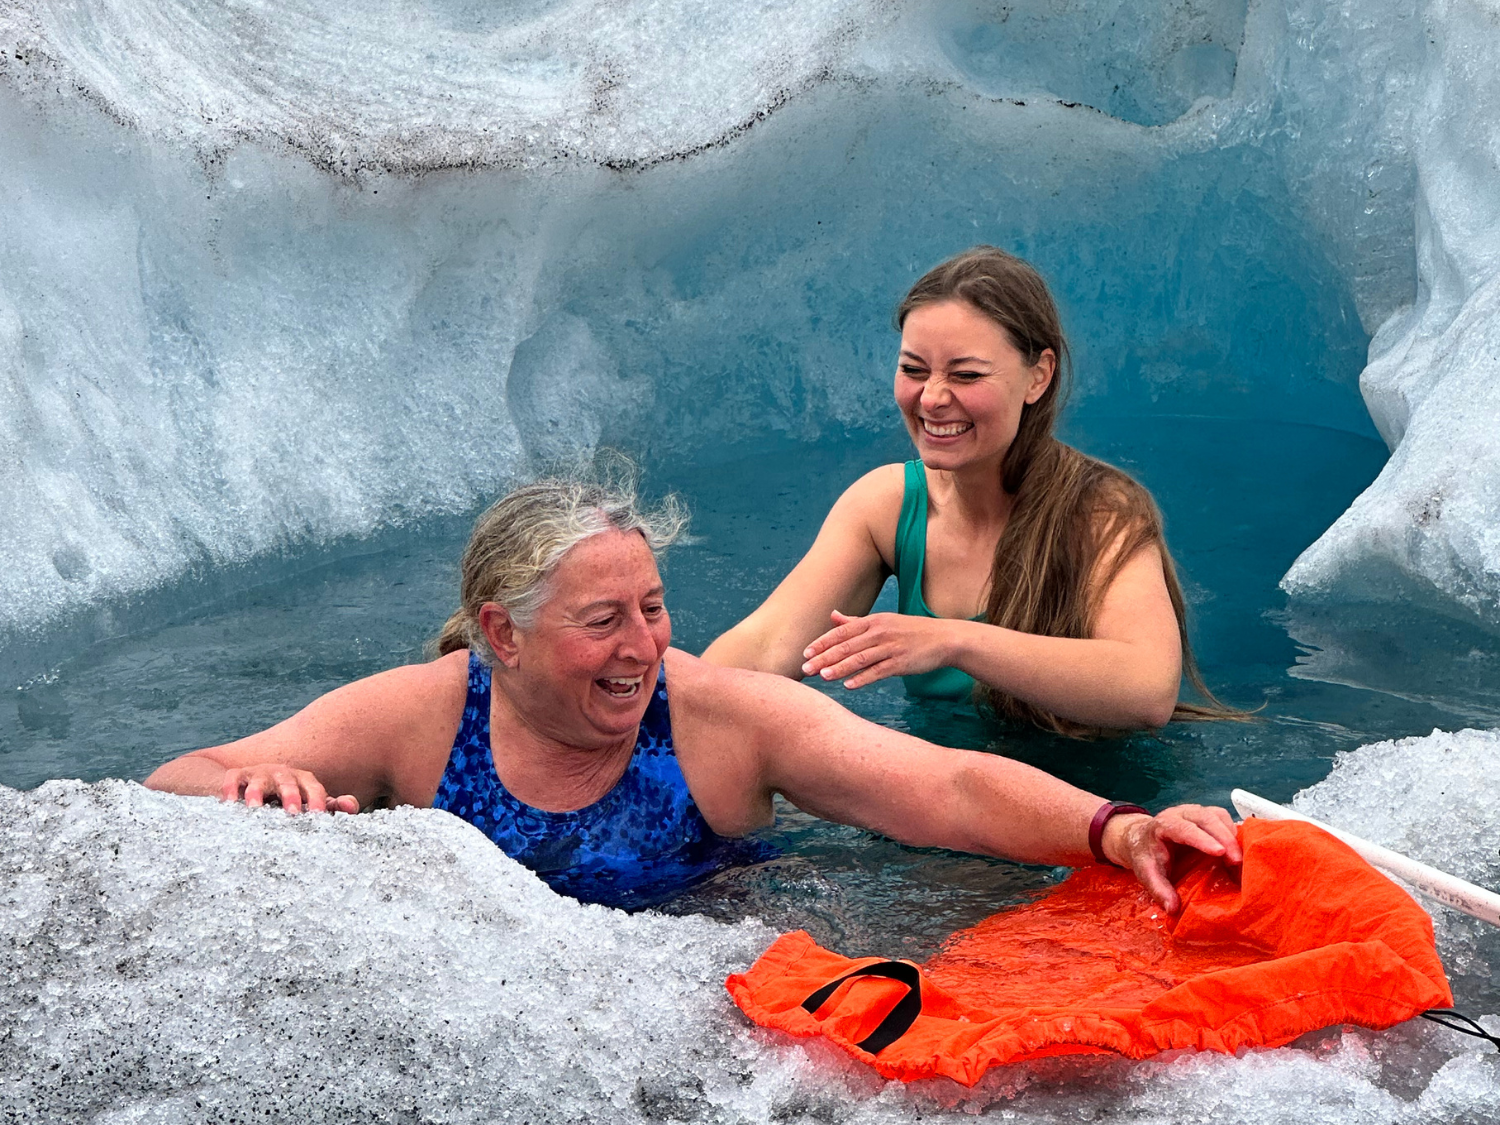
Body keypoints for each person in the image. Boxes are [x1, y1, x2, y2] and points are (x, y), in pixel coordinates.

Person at [145, 475, 1242, 910]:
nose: (643, 646)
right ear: (502, 634)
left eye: (654, 608)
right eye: (602, 620)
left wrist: (1116, 830)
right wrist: (259, 785)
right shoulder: (419, 716)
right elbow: (171, 781)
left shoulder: (715, 717)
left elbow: (938, 786)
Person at [702, 246, 1239, 736]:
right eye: (913, 369)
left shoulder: (1100, 513)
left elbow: (1146, 691)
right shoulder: (885, 506)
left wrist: (953, 641)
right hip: (950, 811)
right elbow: (768, 646)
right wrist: (659, 709)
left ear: (1038, 377)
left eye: (965, 375)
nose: (932, 398)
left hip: (1100, 811)